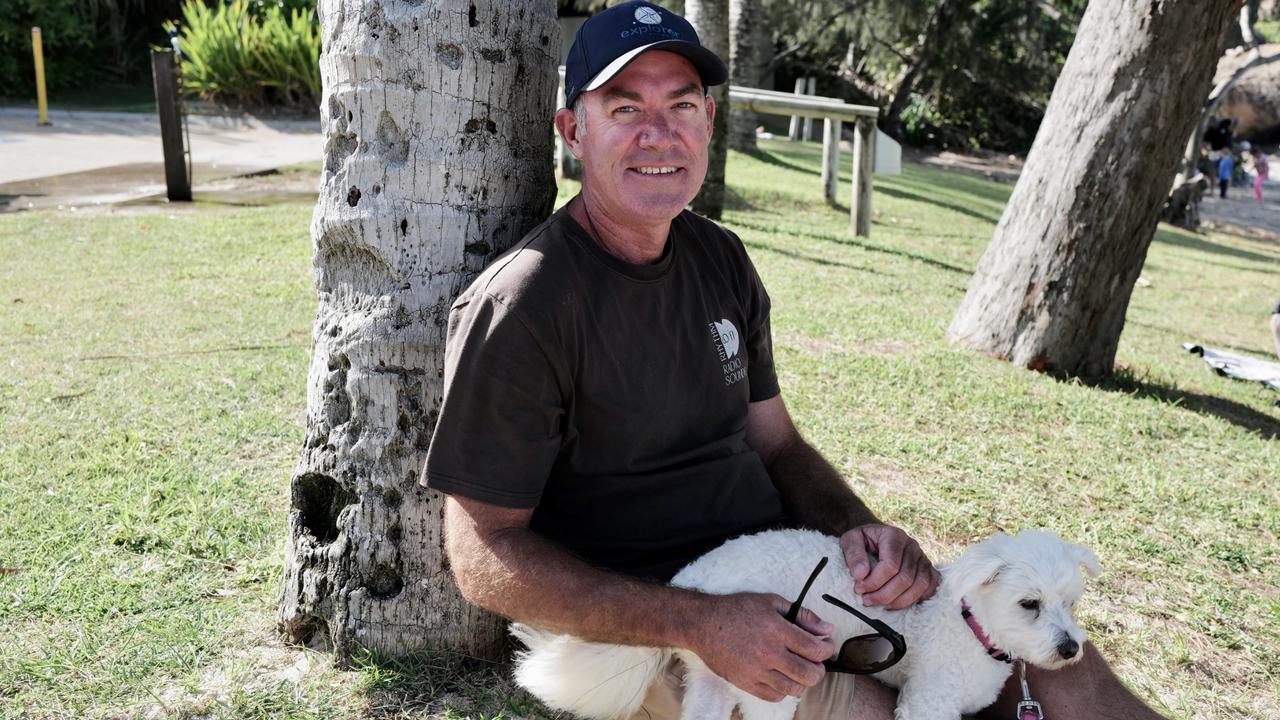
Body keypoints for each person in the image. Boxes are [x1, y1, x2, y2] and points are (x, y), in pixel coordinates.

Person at [422, 3, 1168, 719]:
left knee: (1057, 671)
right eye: (624, 109)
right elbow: (483, 553)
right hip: (667, 629)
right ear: (572, 132)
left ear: (708, 121)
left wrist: (862, 532)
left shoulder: (720, 257)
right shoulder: (525, 303)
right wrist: (698, 622)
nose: (659, 134)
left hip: (803, 572)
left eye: (682, 106)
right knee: (877, 708)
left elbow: (774, 442)